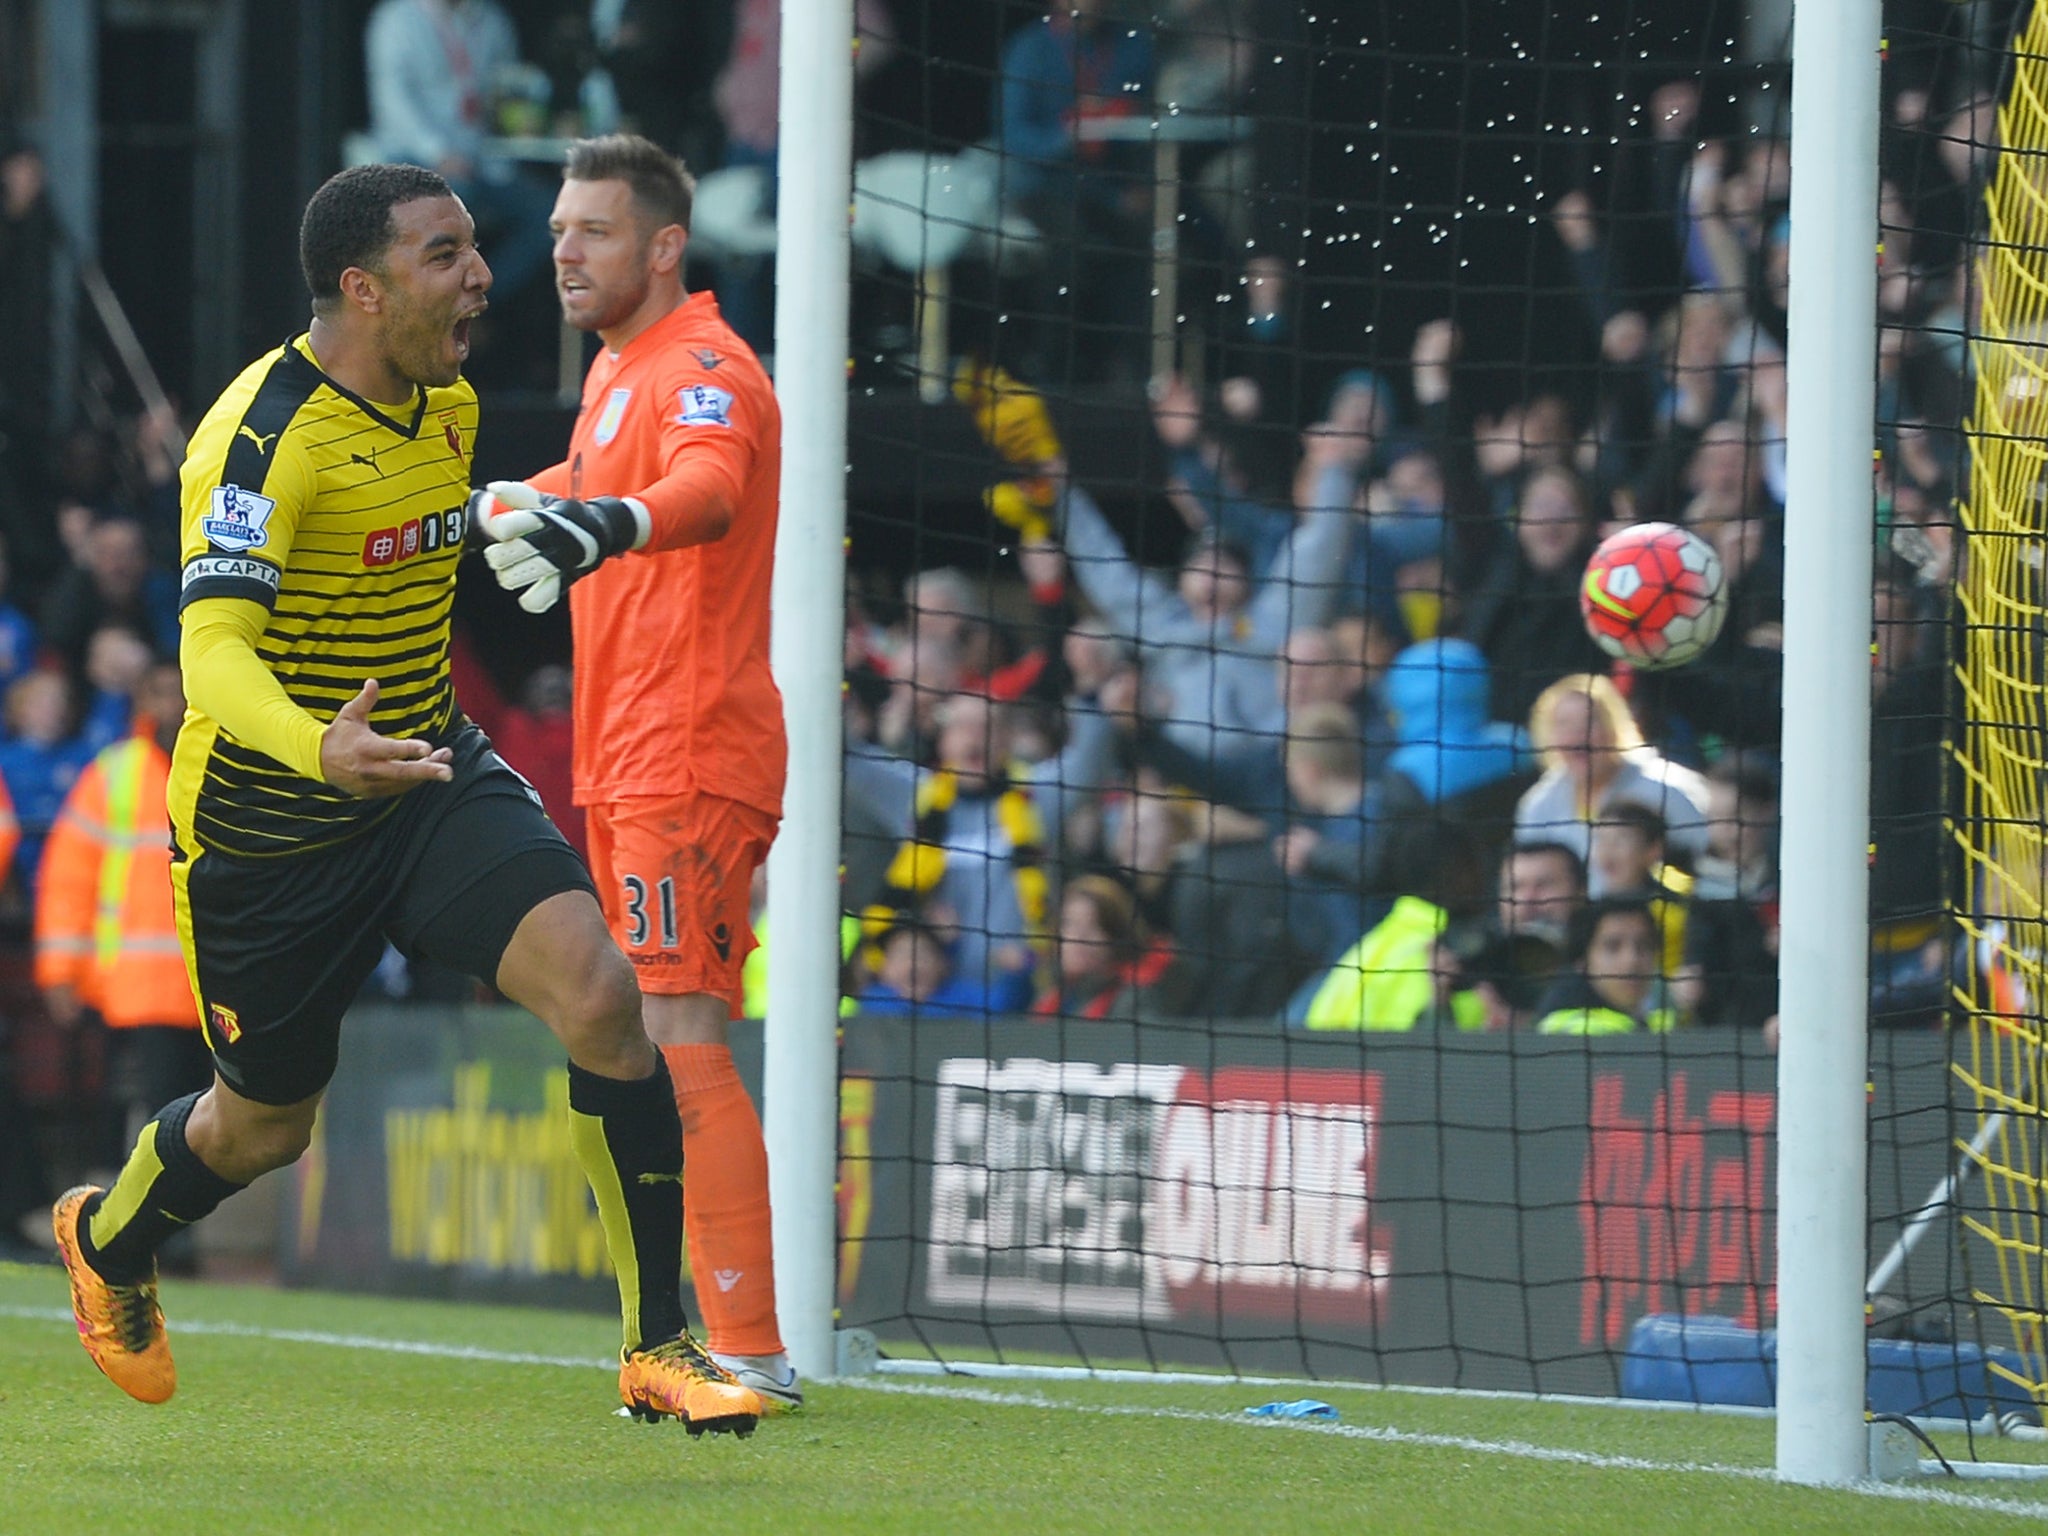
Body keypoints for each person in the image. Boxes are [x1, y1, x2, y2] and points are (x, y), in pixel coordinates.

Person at [49, 163, 760, 1436]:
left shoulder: (445, 400)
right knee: (263, 1130)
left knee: (603, 994)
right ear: (363, 290)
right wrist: (318, 748)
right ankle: (108, 1239)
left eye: (476, 247)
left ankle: (661, 1346)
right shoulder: (261, 437)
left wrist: (540, 510)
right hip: (272, 828)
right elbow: (209, 654)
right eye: (448, 256)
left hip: (427, 773)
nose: (485, 275)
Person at [469, 134, 797, 1412]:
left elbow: (707, 488)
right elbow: (586, 483)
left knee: (678, 1036)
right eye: (557, 229)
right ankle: (716, 1337)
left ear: (664, 245)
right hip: (627, 757)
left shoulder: (703, 366)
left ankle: (748, 1346)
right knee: (653, 1029)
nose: (562, 250)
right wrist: (505, 502)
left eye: (592, 231)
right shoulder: (619, 371)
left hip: (688, 751)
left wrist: (600, 521)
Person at [35, 664, 210, 1269]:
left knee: (202, 1127)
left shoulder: (223, 759)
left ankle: (165, 1237)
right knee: (144, 1123)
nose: (173, 700)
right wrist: (61, 970)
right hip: (134, 991)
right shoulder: (117, 773)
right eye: (161, 689)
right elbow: (68, 878)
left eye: (181, 687)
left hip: (211, 987)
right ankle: (131, 1238)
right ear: (142, 698)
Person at [1531, 899, 1675, 1035]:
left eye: (1644, 945)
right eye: (1613, 947)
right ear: (1581, 962)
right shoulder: (1570, 1030)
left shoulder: (1661, 1023)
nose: (1632, 960)